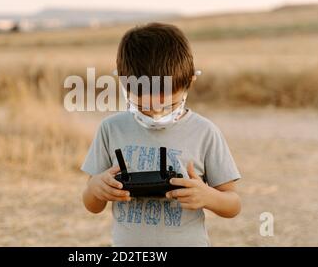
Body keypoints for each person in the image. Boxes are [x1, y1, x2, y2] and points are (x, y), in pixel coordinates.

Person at [81, 22, 241, 246]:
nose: (156, 113)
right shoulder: (111, 129)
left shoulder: (205, 133)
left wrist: (208, 196)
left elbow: (233, 204)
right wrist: (96, 187)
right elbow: (92, 205)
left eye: (169, 104)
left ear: (189, 82)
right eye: (144, 105)